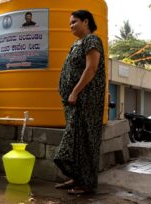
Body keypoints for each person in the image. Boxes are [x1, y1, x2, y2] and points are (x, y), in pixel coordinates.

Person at [53, 10, 105, 195]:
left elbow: (91, 68)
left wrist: (75, 91)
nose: (71, 26)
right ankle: (77, 178)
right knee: (76, 141)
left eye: (74, 22)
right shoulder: (77, 43)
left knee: (82, 141)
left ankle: (86, 183)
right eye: (70, 23)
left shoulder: (92, 40)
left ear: (86, 21)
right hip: (74, 103)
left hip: (86, 101)